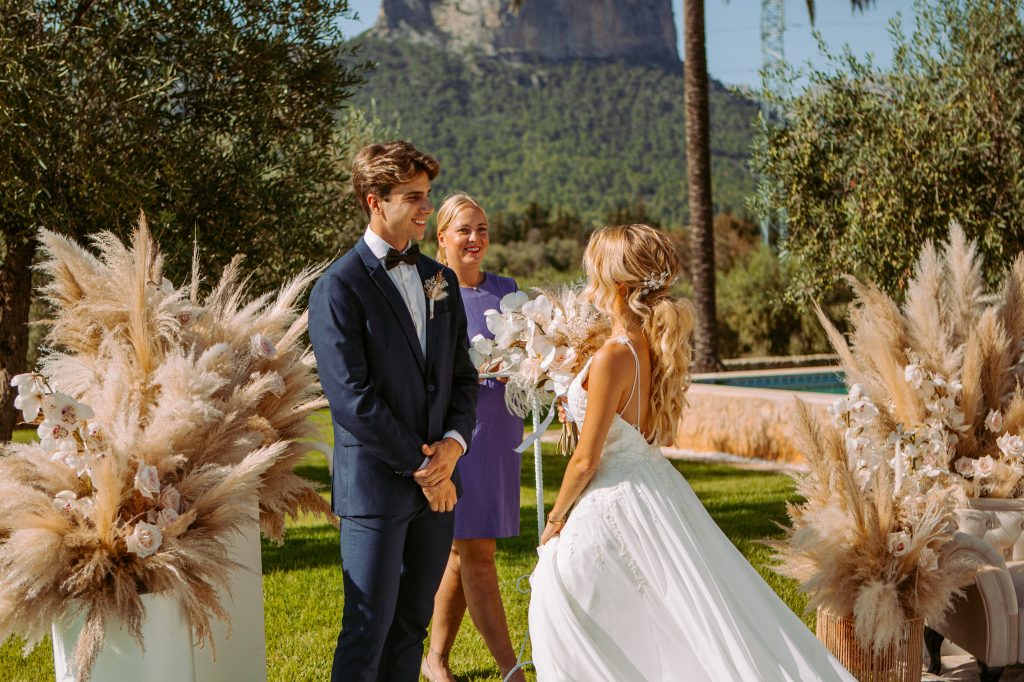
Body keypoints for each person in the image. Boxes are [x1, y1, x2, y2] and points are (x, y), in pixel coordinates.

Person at [529, 224, 855, 681]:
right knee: (672, 614)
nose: (587, 284)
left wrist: (556, 519)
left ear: (617, 286)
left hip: (612, 497)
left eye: (593, 273)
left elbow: (585, 459)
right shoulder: (644, 344)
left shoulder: (612, 356)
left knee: (564, 596)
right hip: (652, 488)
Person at [308, 141, 478, 682]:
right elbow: (352, 399)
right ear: (374, 201)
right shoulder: (338, 287)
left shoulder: (441, 280)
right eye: (413, 197)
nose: (426, 207)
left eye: (426, 195)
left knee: (411, 626)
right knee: (366, 628)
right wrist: (424, 468)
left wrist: (453, 445)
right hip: (377, 488)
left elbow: (461, 377)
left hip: (439, 485)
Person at [420, 195, 526, 682]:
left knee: (465, 551)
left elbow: (529, 358)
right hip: (457, 436)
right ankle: (512, 671)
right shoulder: (428, 292)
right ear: (441, 236)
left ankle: (435, 658)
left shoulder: (508, 291)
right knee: (477, 553)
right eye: (464, 229)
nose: (475, 239)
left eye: (482, 229)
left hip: (501, 432)